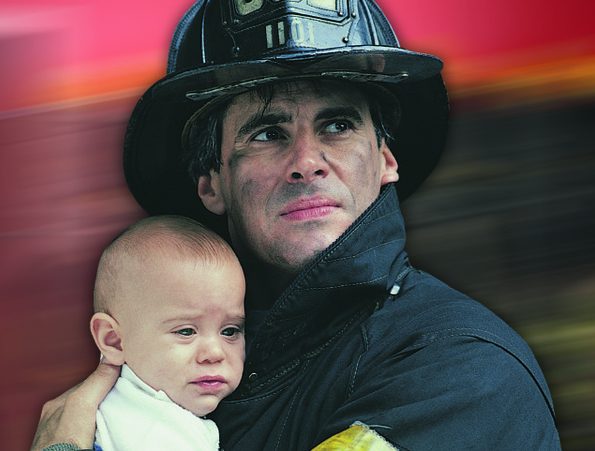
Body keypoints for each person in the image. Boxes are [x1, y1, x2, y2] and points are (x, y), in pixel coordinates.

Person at [33, 1, 561, 450]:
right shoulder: (172, 364)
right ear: (211, 184)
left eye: (336, 125)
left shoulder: (460, 371)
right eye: (266, 133)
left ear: (385, 161)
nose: (307, 161)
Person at [90, 215, 245, 451]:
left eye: (230, 331)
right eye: (185, 331)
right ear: (115, 341)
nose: (214, 353)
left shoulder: (126, 407)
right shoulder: (159, 432)